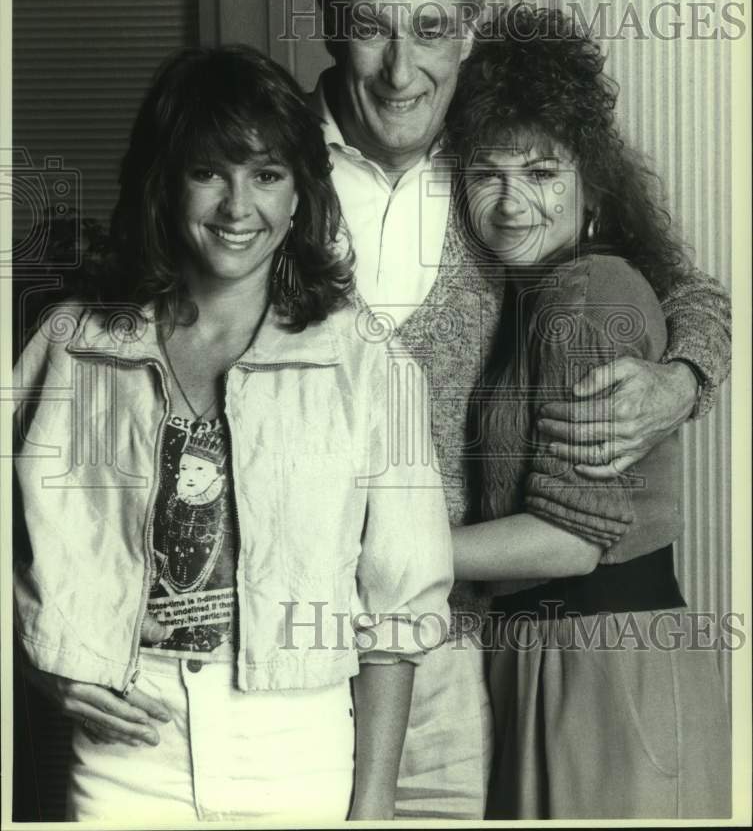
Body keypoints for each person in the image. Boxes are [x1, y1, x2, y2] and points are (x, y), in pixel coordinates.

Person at [310, 0, 732, 818]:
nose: (400, 68)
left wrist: (682, 377)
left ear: (465, 31)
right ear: (331, 24)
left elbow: (674, 287)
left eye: (430, 30)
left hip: (463, 642)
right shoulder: (270, 164)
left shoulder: (495, 146)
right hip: (293, 612)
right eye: (371, 29)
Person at [13, 45, 453, 823]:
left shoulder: (365, 362)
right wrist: (46, 658)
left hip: (298, 737)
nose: (236, 207)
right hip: (126, 737)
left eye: (267, 175)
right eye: (208, 171)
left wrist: (374, 804)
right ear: (164, 180)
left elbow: (398, 607)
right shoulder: (77, 346)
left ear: (299, 196)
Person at [446, 5, 731, 819]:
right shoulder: (532, 293)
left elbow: (570, 541)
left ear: (589, 184)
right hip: (550, 659)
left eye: (541, 173)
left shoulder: (584, 293)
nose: (509, 203)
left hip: (601, 666)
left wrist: (383, 553)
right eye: (485, 173)